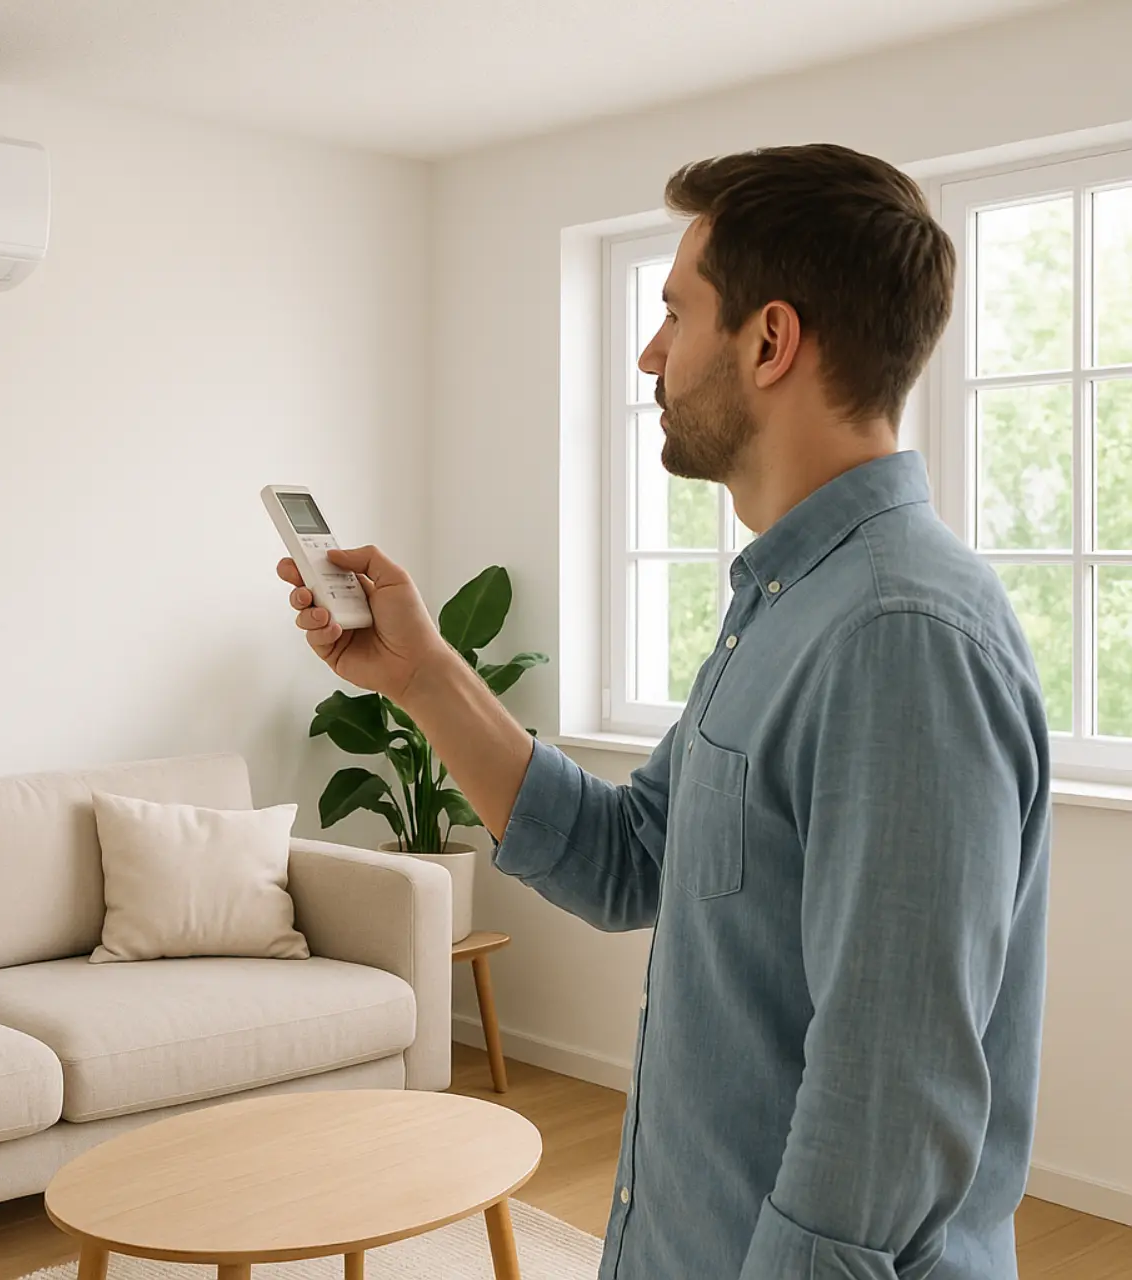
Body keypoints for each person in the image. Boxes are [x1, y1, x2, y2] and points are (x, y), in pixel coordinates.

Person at [279, 144, 1049, 1280]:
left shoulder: (901, 634)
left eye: (674, 313)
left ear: (769, 340)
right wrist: (424, 672)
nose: (649, 354)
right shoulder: (787, 604)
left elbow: (888, 1099)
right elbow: (628, 855)